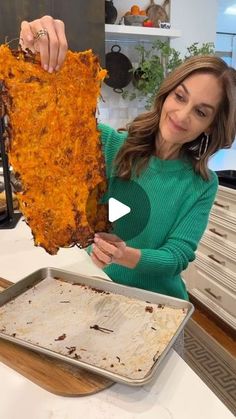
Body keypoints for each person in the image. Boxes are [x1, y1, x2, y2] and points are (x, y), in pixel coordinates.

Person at [19, 16, 236, 303]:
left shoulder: (201, 184)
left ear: (210, 125)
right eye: (181, 97)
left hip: (158, 305)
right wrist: (32, 52)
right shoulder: (107, 144)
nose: (182, 115)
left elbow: (177, 257)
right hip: (90, 287)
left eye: (201, 112)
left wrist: (124, 255)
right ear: (167, 94)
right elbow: (46, 123)